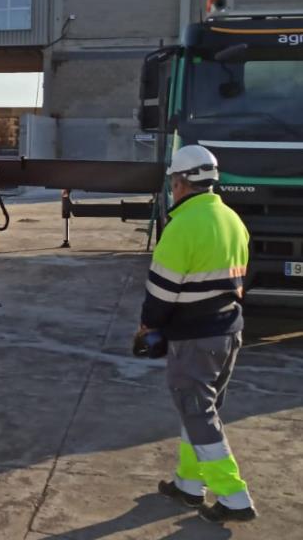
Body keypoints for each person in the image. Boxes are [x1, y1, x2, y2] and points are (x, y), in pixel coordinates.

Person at [137, 144, 256, 524]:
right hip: (228, 332)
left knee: (198, 413)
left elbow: (160, 292)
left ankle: (234, 497)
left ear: (183, 182)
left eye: (174, 181)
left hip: (194, 337)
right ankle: (189, 486)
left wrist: (148, 326)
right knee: (201, 410)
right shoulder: (232, 220)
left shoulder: (182, 226)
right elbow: (240, 278)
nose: (173, 188)